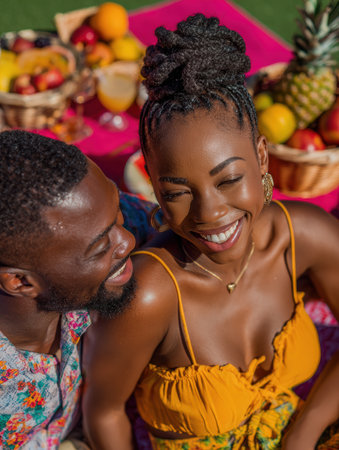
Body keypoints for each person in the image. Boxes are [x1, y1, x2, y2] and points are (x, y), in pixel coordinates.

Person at [83, 13, 339, 450]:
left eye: (227, 180)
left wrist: (304, 432)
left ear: (261, 158)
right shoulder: (148, 296)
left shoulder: (305, 235)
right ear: (155, 190)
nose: (210, 213)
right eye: (178, 191)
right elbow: (103, 413)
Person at [0, 130, 157, 449]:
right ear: (21, 282)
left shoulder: (84, 218)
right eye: (100, 247)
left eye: (117, 213)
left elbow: (163, 220)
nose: (126, 240)